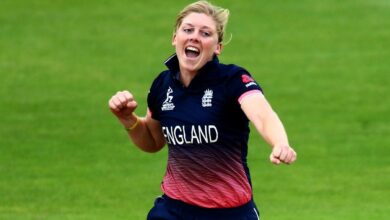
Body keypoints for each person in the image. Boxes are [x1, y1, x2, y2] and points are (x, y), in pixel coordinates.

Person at [108, 1, 297, 219]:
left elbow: (263, 115)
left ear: (217, 47)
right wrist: (127, 119)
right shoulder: (163, 85)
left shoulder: (232, 80)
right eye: (188, 30)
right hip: (173, 210)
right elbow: (152, 140)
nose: (195, 36)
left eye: (205, 33)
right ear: (174, 38)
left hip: (229, 213)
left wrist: (280, 143)